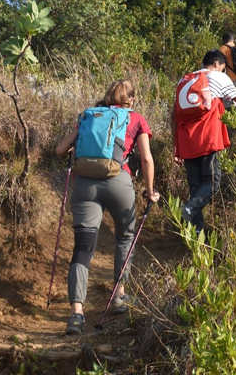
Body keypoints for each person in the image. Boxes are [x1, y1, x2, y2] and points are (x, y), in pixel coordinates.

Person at [55, 80, 160, 335]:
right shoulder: (136, 119)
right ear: (131, 100)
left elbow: (60, 150)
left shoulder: (89, 115)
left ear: (107, 96)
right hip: (118, 182)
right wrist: (150, 190)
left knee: (83, 247)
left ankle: (76, 315)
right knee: (124, 236)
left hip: (85, 187)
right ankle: (119, 297)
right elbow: (146, 158)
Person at [172, 50, 236, 233]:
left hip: (187, 140)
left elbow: (174, 116)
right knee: (212, 182)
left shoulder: (185, 80)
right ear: (217, 64)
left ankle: (197, 235)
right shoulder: (220, 77)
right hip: (208, 138)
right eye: (224, 68)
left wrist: (175, 146)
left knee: (195, 187)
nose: (224, 71)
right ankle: (188, 209)